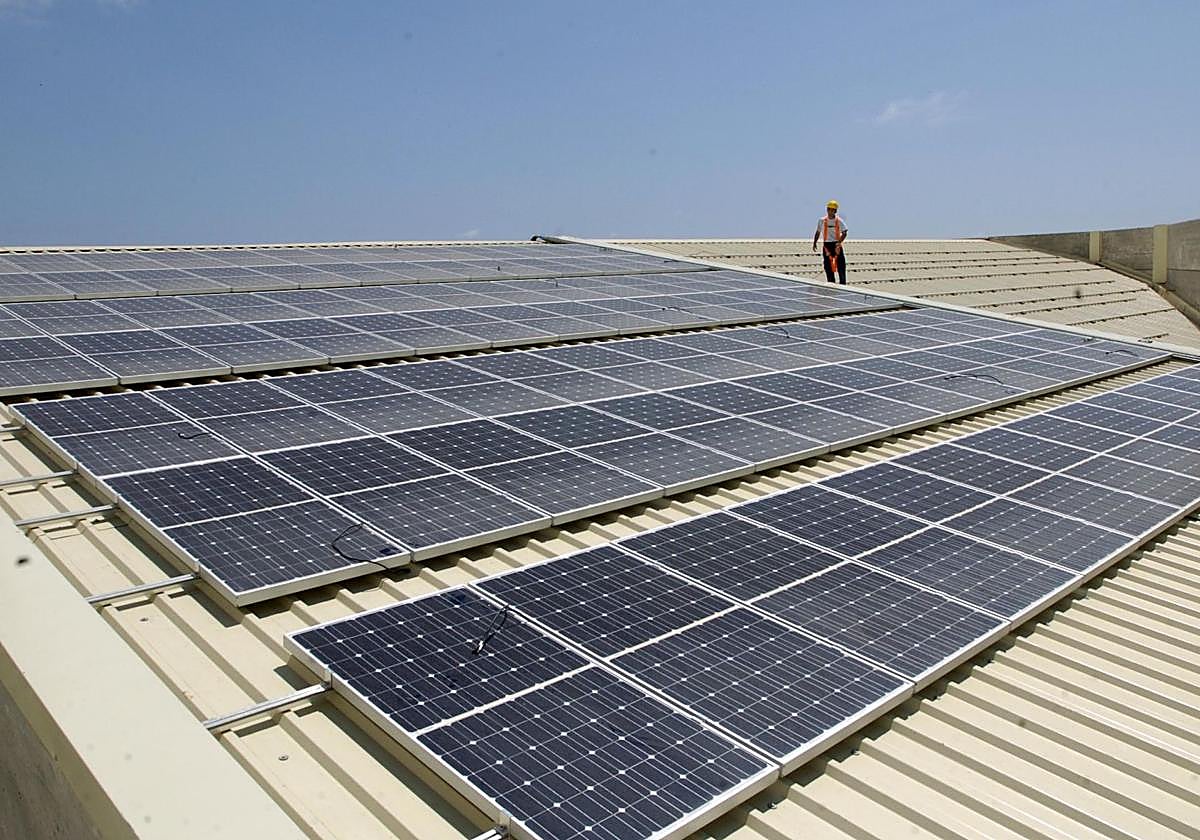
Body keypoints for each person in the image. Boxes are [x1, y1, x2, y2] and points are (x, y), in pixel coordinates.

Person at [812, 200, 848, 284]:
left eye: (832, 210)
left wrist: (839, 243)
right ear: (827, 209)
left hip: (836, 244)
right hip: (827, 245)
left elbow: (844, 232)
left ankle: (843, 284)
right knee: (828, 266)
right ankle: (831, 283)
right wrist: (814, 242)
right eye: (829, 209)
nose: (830, 211)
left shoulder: (839, 221)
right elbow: (818, 232)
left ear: (835, 211)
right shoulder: (822, 220)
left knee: (841, 265)